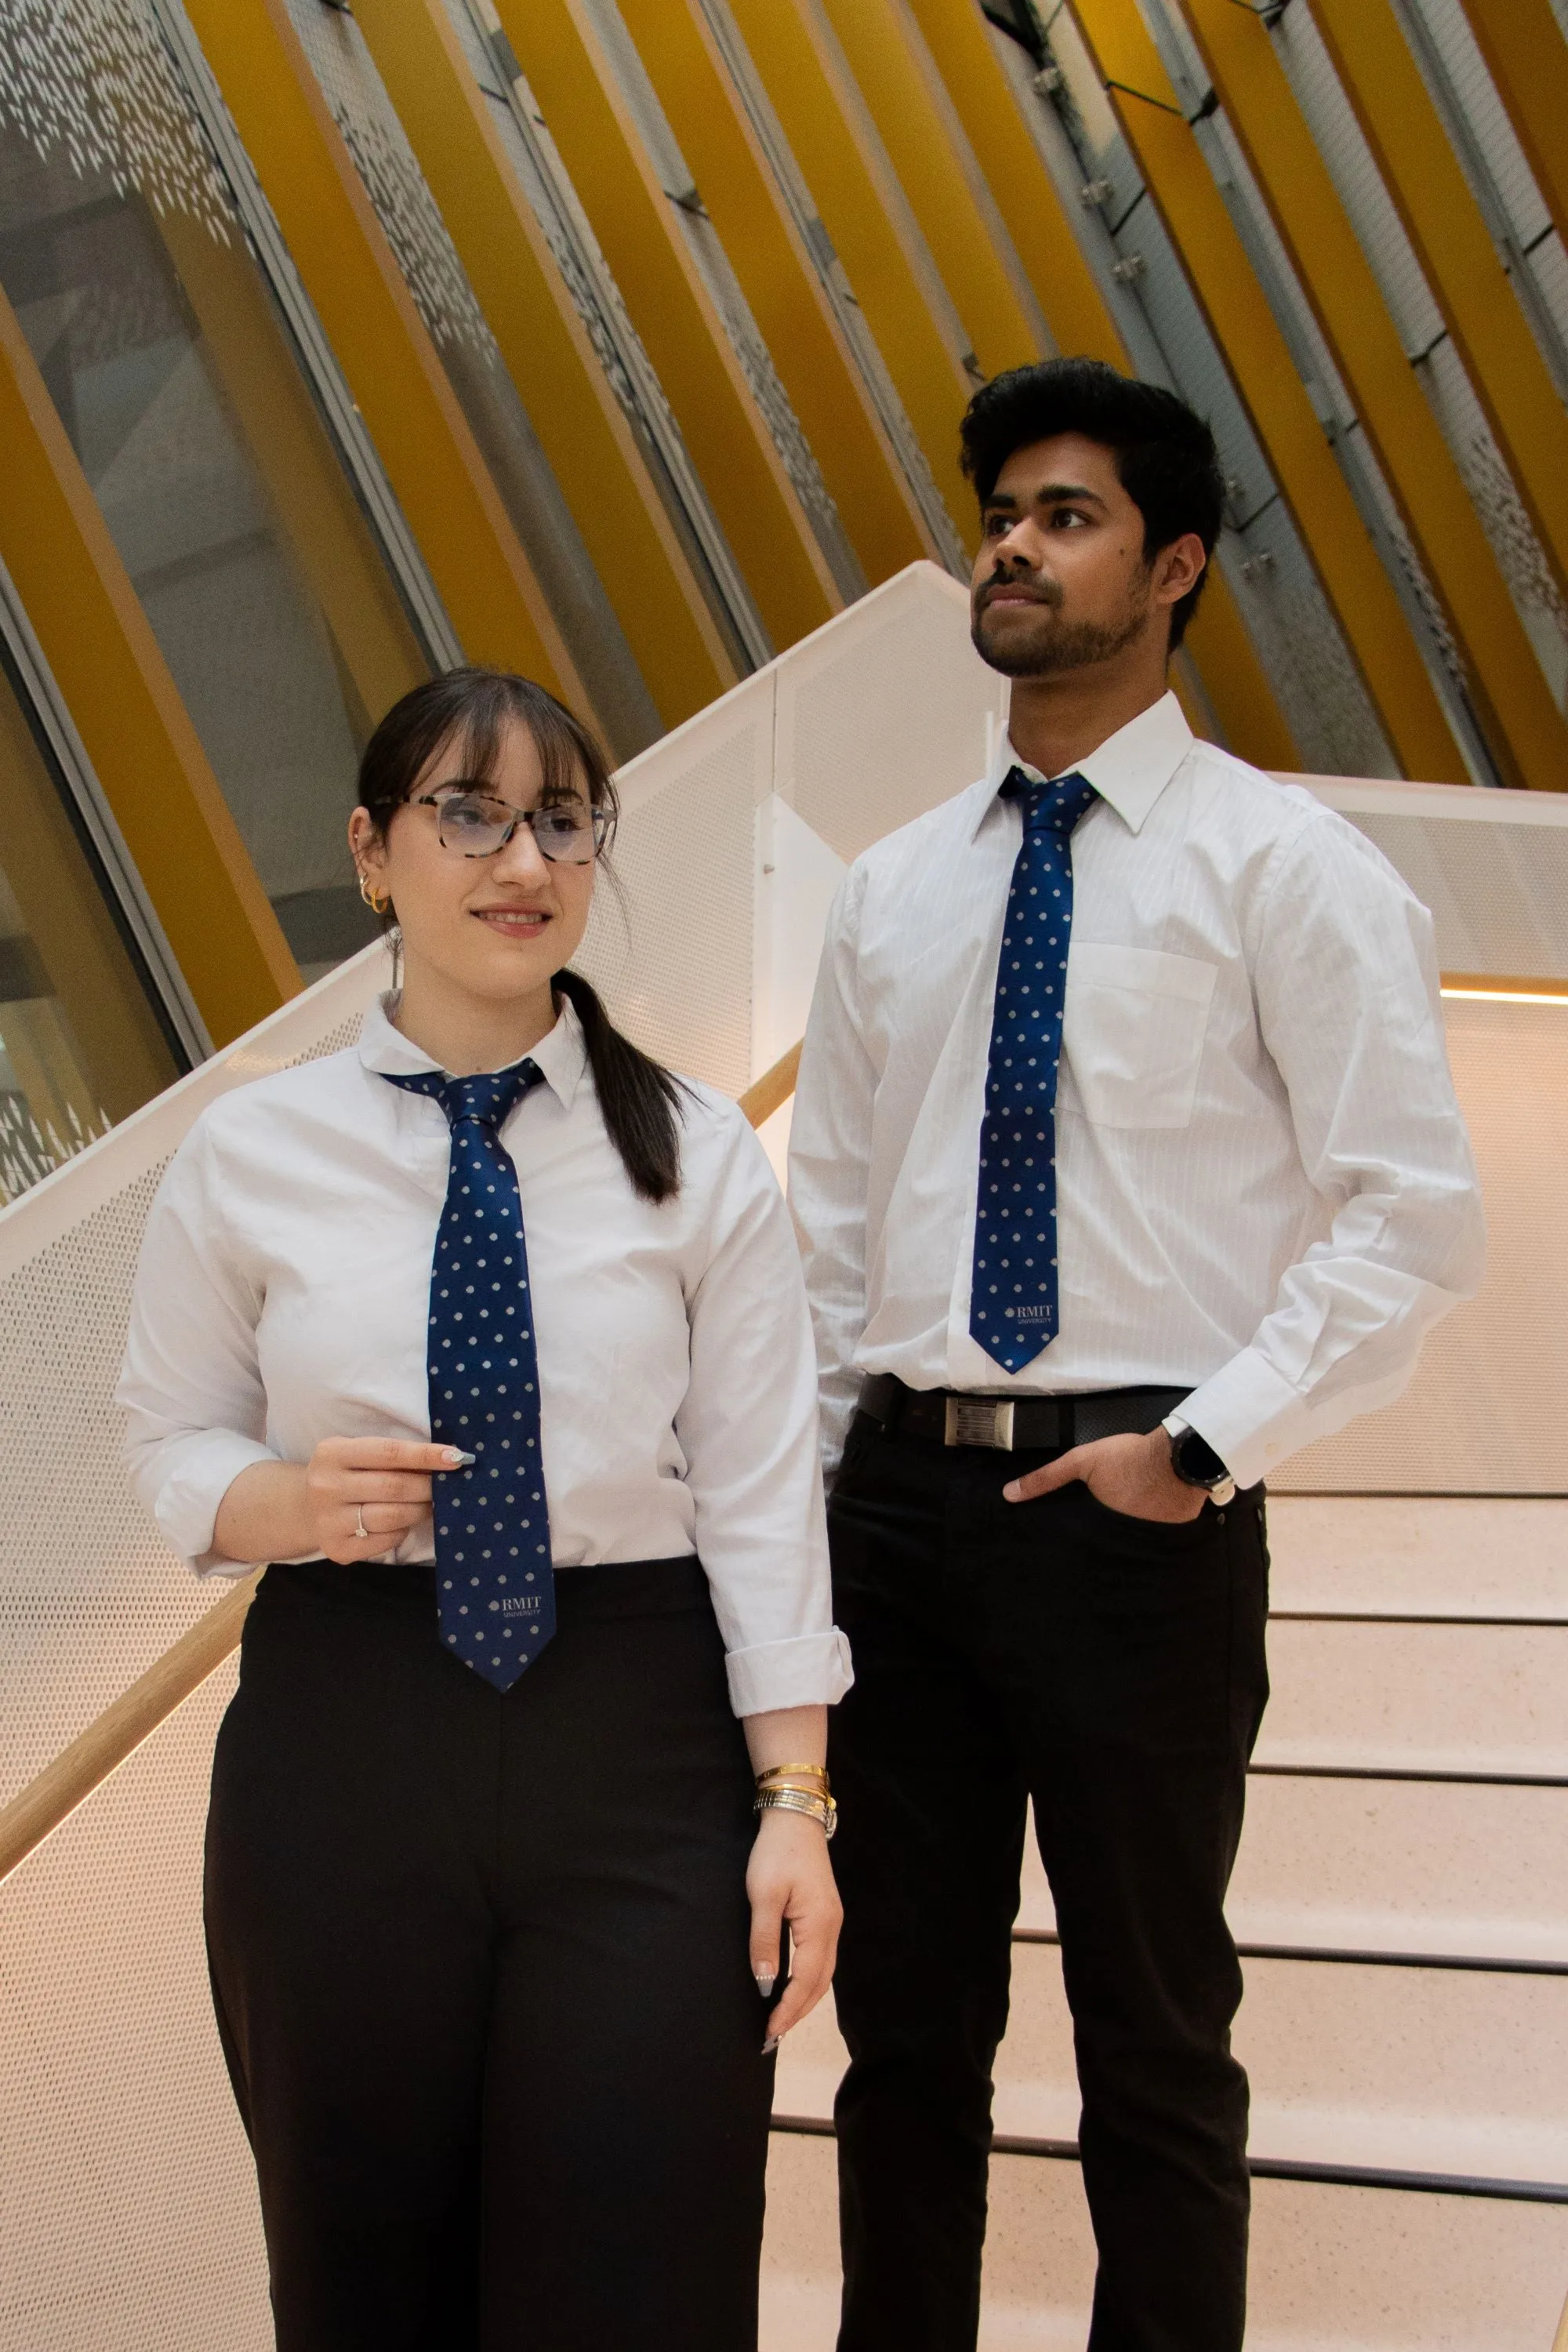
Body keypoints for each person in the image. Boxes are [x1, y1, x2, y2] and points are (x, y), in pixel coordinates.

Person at [789, 358, 1484, 2351]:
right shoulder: (890, 893)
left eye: (1067, 515)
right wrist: (812, 1500)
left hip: (1136, 1514)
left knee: (1154, 2050)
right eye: (1000, 513)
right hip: (899, 1515)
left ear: (1172, 568)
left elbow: (1411, 1214)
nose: (1012, 545)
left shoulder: (1291, 872)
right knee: (902, 2042)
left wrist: (1200, 1444)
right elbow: (832, 1232)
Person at [118, 667, 851, 2352]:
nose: (523, 857)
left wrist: (795, 1803)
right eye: (470, 812)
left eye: (564, 817)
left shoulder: (693, 1154)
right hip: (347, 1730)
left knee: (646, 2266)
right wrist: (280, 1499)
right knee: (364, 2265)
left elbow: (759, 1496)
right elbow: (166, 1438)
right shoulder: (252, 1153)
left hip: (639, 1737)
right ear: (374, 853)